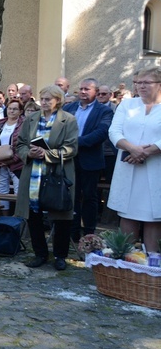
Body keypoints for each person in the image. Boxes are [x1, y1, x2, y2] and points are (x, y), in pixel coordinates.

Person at [14, 85, 78, 271]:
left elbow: (71, 148)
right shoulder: (31, 118)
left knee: (61, 215)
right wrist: (29, 153)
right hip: (33, 172)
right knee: (33, 214)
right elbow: (20, 144)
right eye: (42, 99)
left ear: (58, 100)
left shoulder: (69, 120)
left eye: (48, 99)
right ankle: (40, 253)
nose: (44, 102)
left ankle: (60, 255)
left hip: (58, 172)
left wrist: (47, 154)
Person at [107, 66, 161, 253]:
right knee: (128, 213)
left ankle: (151, 267)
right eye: (137, 82)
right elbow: (114, 131)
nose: (140, 86)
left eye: (146, 82)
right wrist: (133, 149)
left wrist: (147, 152)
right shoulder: (127, 105)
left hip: (156, 169)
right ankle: (126, 263)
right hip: (128, 166)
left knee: (154, 216)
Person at [63, 79, 113, 239]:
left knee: (90, 197)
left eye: (87, 89)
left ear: (96, 91)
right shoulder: (69, 108)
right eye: (81, 89)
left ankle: (89, 234)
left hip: (90, 160)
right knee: (72, 196)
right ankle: (73, 233)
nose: (83, 92)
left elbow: (101, 133)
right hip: (68, 159)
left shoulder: (104, 111)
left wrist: (74, 143)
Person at [0, 99, 26, 214]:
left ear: (20, 111)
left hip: (17, 164)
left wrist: (11, 161)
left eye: (15, 109)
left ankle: (18, 218)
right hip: (0, 163)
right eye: (9, 108)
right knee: (2, 190)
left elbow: (23, 145)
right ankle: (5, 217)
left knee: (19, 191)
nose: (12, 111)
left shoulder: (23, 125)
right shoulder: (0, 124)